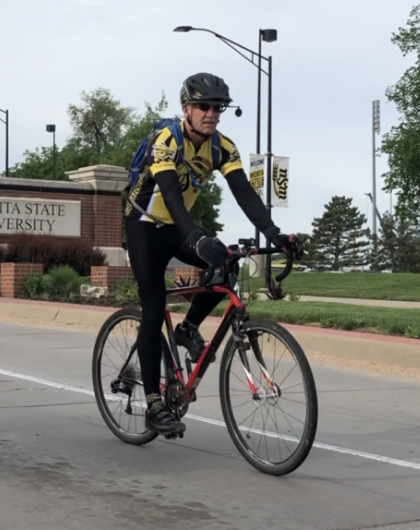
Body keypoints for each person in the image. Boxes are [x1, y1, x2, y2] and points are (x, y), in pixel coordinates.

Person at [123, 72, 302, 436]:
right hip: (142, 225)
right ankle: (154, 405)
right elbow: (171, 195)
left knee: (225, 263)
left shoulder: (223, 147)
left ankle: (188, 328)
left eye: (218, 107)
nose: (212, 114)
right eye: (204, 106)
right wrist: (195, 237)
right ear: (186, 108)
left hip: (175, 227)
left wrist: (275, 234)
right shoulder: (166, 140)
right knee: (154, 307)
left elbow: (244, 194)